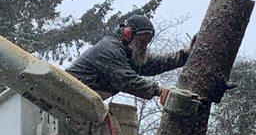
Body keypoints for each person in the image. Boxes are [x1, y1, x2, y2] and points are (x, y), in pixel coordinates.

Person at [66, 15, 195, 104]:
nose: (144, 46)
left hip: (80, 101)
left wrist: (185, 54)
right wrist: (159, 90)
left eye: (147, 43)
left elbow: (156, 63)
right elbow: (126, 79)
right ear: (128, 34)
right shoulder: (109, 49)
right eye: (142, 41)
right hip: (64, 96)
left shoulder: (128, 53)